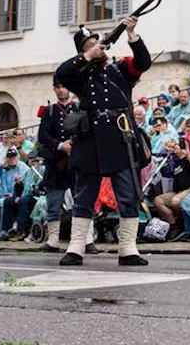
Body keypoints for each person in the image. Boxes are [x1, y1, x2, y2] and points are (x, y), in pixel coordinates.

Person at [54, 19, 152, 267]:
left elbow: (143, 62)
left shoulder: (119, 70)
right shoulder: (79, 75)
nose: (96, 47)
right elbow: (60, 74)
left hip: (120, 137)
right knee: (85, 194)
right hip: (90, 140)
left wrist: (131, 34)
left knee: (127, 194)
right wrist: (87, 57)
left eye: (96, 43)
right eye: (89, 45)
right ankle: (77, 246)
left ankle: (128, 248)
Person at [36, 77, 85, 253]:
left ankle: (86, 240)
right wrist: (60, 146)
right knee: (53, 204)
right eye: (58, 87)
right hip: (55, 164)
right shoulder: (49, 112)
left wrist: (74, 145)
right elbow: (43, 136)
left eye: (64, 87)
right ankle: (53, 240)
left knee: (81, 201)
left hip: (76, 162)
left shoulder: (79, 108)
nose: (62, 90)